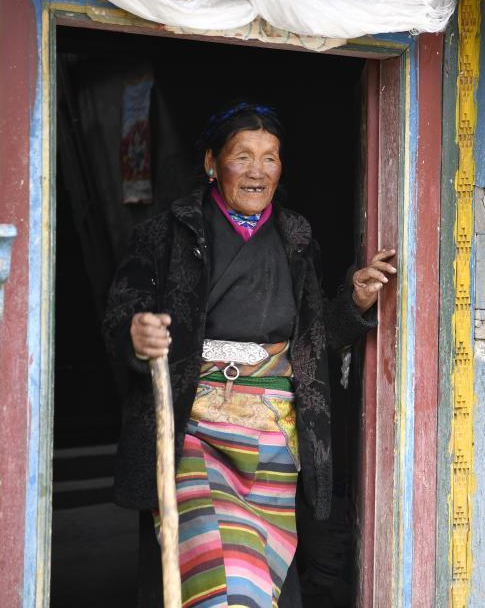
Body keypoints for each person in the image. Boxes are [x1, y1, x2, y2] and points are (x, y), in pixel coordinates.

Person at [102, 103, 396, 607]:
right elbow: (122, 310)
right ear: (212, 163)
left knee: (261, 566)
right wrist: (136, 332)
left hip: (271, 428)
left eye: (270, 158)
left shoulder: (297, 237)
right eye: (243, 156)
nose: (258, 171)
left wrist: (355, 302)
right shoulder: (166, 234)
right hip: (193, 425)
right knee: (219, 570)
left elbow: (315, 338)